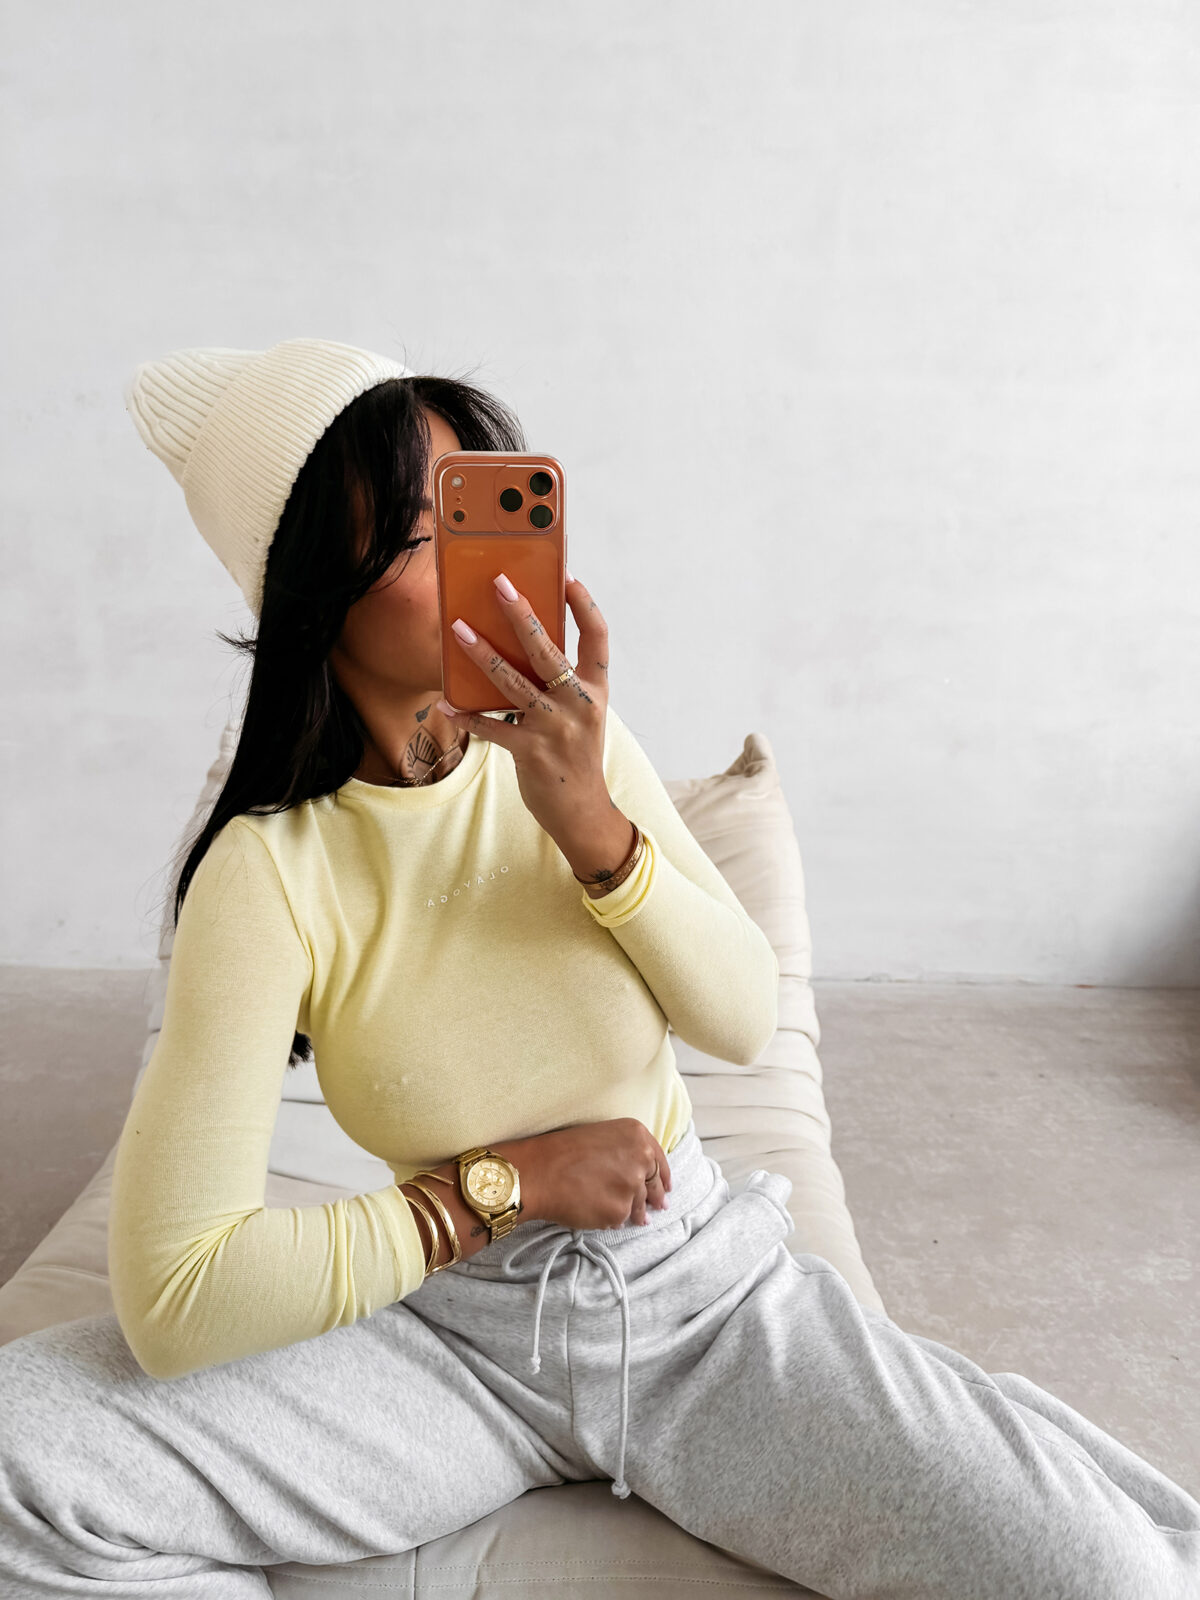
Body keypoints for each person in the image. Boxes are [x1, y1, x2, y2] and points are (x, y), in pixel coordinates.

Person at [0, 339, 1195, 1600]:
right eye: (420, 536)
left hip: (698, 1313)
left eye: (476, 516)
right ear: (316, 590)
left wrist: (596, 832)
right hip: (445, 1343)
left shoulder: (571, 748)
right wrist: (501, 1188)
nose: (476, 567)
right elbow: (177, 1296)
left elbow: (741, 1017)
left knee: (1109, 1576)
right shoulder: (268, 870)